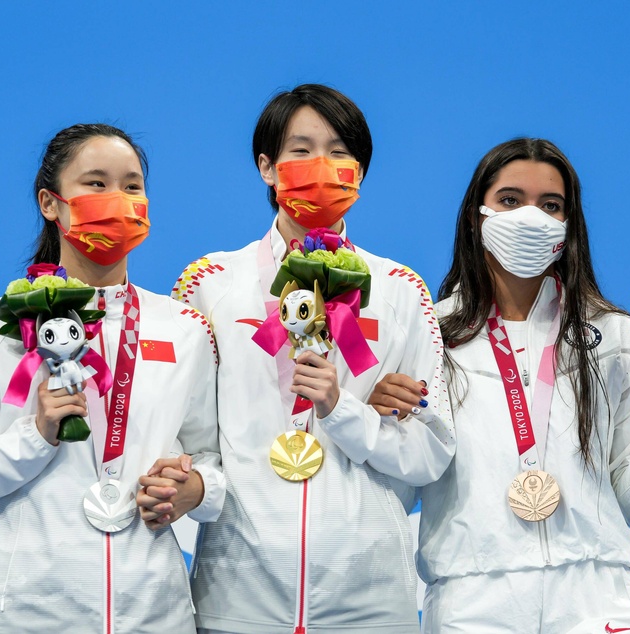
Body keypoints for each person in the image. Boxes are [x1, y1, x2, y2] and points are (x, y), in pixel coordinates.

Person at [369, 138, 630, 633]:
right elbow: (398, 494)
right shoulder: (429, 335)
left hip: (596, 600)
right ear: (475, 216)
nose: (531, 217)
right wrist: (381, 427)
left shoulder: (613, 336)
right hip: (472, 602)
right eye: (509, 200)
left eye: (550, 205)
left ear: (568, 226)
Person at [169, 84, 456, 634]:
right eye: (300, 150)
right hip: (238, 592)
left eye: (340, 151)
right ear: (266, 167)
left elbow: (429, 455)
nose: (320, 165)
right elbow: (185, 436)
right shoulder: (210, 284)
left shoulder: (400, 290)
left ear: (360, 173)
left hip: (368, 599)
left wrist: (350, 413)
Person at [0, 123, 223, 633]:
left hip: (157, 614)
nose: (117, 199)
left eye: (131, 186)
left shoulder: (186, 329)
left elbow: (213, 457)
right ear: (50, 203)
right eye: (95, 183)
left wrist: (195, 489)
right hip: (34, 616)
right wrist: (33, 437)